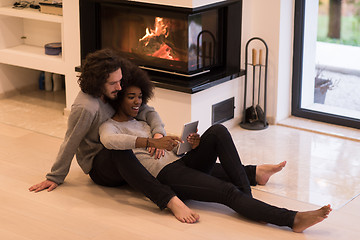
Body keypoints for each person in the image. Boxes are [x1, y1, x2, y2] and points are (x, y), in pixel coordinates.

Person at [99, 70, 332, 232]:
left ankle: (248, 201)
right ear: (118, 99)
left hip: (181, 161)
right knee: (226, 191)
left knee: (218, 131)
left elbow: (161, 131)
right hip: (168, 176)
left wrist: (191, 144)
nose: (138, 102)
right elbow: (110, 141)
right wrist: (151, 143)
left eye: (140, 97)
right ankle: (293, 219)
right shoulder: (110, 126)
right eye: (131, 97)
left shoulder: (143, 120)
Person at [29, 48, 199, 223]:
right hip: (100, 164)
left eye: (120, 81)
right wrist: (55, 177)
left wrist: (157, 133)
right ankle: (169, 200)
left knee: (139, 152)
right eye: (114, 83)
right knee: (120, 150)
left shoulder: (112, 92)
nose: (119, 87)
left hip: (118, 152)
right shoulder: (86, 108)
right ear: (98, 82)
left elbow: (146, 111)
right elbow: (70, 142)